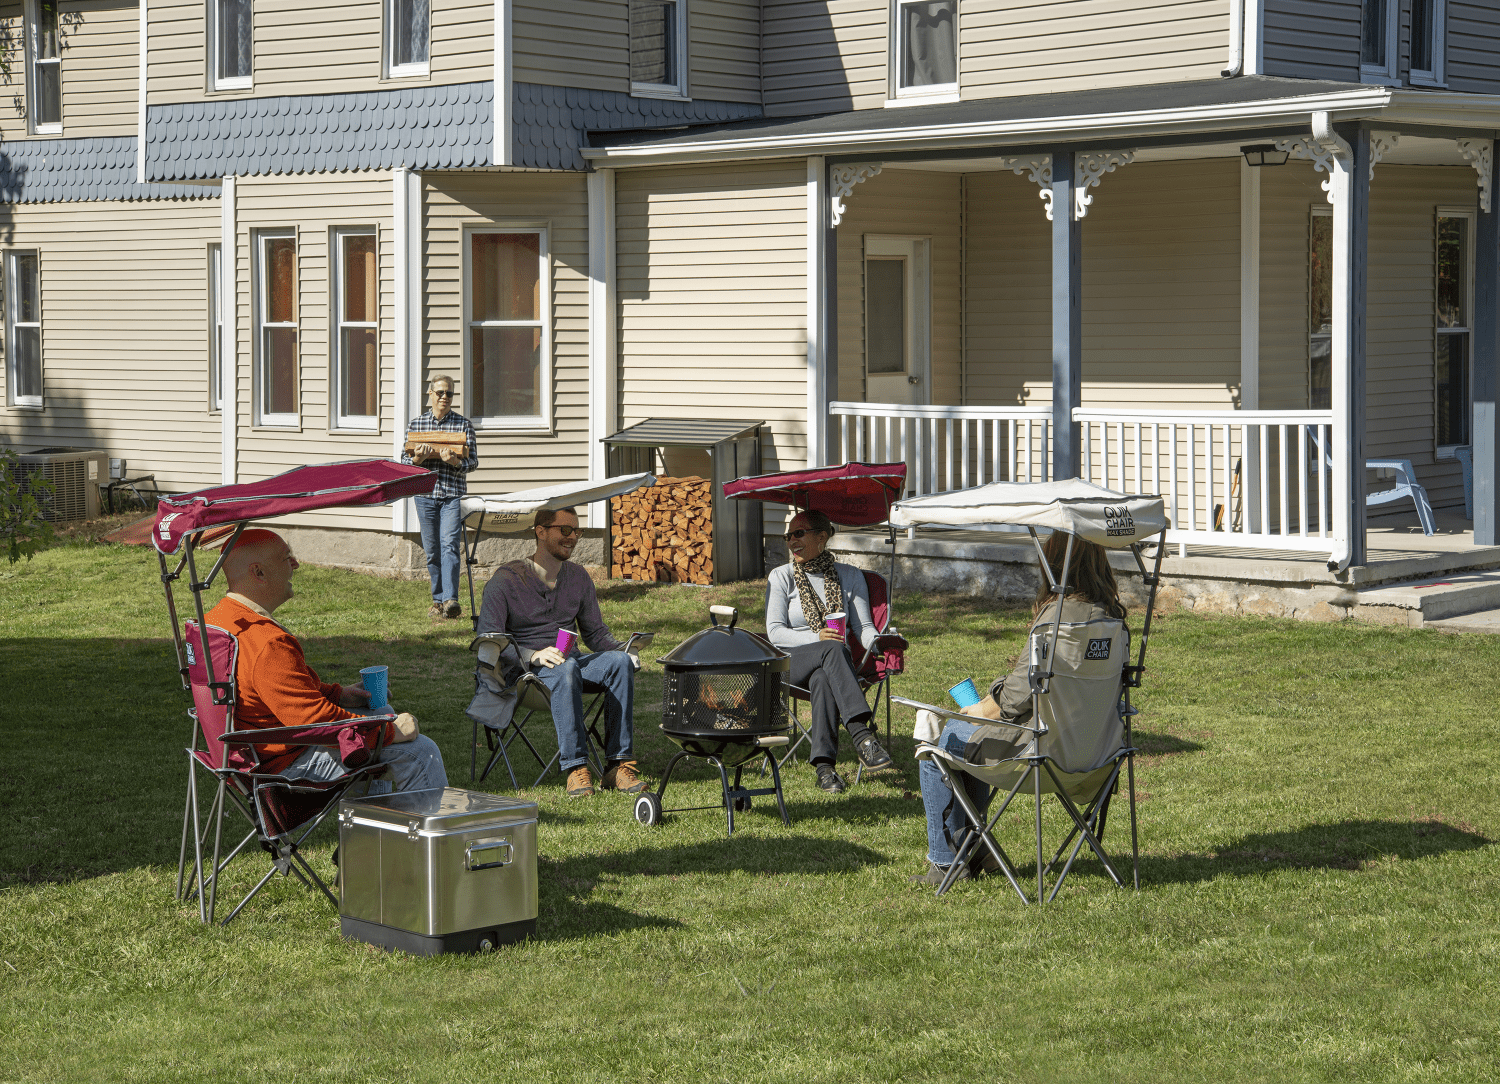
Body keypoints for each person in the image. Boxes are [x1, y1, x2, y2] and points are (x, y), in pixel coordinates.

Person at [912, 531, 1128, 886]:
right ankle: (976, 847)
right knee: (972, 736)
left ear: (1053, 565)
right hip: (1099, 758)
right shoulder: (1114, 622)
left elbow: (1013, 703)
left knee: (944, 734)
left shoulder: (1056, 621)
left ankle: (946, 861)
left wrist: (981, 706)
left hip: (1043, 756)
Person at [203, 529, 448, 795]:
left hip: (250, 753)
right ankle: (423, 836)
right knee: (422, 752)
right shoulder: (267, 642)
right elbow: (314, 722)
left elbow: (287, 689)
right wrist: (388, 734)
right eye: (287, 558)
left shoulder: (218, 619)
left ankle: (372, 831)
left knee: (380, 710)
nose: (295, 564)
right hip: (279, 765)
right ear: (258, 572)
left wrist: (339, 695)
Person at [477, 506, 646, 799]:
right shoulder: (505, 580)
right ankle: (576, 767)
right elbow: (490, 640)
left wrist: (624, 649)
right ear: (540, 532)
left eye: (577, 531)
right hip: (527, 675)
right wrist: (532, 654)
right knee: (565, 668)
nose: (573, 537)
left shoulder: (579, 577)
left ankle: (618, 765)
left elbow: (594, 633)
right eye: (565, 530)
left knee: (617, 663)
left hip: (571, 663)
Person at [764, 509, 895, 793]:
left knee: (824, 676)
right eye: (788, 536)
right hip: (790, 663)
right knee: (831, 648)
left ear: (821, 536)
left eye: (799, 533)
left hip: (836, 667)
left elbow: (863, 628)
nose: (791, 541)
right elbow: (774, 634)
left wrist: (880, 642)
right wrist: (817, 636)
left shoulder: (849, 576)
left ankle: (825, 770)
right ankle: (862, 735)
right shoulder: (782, 576)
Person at [402, 374, 479, 620]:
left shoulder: (463, 425)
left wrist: (455, 461)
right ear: (430, 394)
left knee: (449, 547)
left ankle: (451, 600)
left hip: (452, 495)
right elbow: (405, 462)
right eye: (440, 393)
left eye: (449, 393)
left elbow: (473, 462)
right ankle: (437, 601)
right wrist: (418, 459)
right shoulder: (416, 425)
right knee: (433, 550)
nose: (445, 397)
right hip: (425, 495)